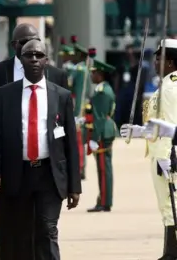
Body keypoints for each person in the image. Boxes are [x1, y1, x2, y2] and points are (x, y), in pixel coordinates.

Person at [0, 24, 67, 259]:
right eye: (24, 43)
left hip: (43, 165)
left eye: (35, 41)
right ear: (14, 46)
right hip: (6, 165)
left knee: (44, 226)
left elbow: (62, 124)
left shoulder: (56, 75)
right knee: (8, 222)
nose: (31, 49)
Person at [120, 39, 177, 259]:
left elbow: (172, 127)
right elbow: (158, 124)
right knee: (166, 206)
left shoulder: (171, 89)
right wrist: (140, 132)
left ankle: (171, 254)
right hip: (159, 153)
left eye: (159, 58)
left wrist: (166, 156)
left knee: (170, 206)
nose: (155, 62)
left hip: (167, 156)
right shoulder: (165, 86)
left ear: (171, 62)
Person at [79, 56, 117, 212]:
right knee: (103, 168)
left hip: (102, 133)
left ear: (100, 75)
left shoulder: (102, 92)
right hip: (105, 131)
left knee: (103, 168)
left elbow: (100, 118)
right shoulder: (103, 89)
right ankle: (104, 199)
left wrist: (94, 138)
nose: (92, 75)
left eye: (94, 73)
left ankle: (105, 201)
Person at [70, 35, 90, 179]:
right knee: (81, 141)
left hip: (77, 109)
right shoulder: (87, 70)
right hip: (86, 107)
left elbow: (70, 87)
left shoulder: (77, 69)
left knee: (77, 140)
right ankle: (82, 167)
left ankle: (78, 167)